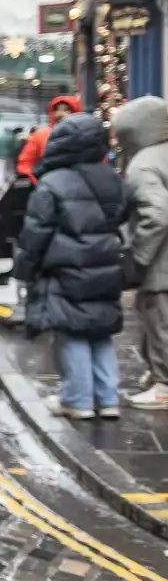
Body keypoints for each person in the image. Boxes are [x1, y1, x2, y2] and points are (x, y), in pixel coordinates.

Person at [13, 111, 129, 421]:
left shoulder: (53, 182)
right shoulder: (111, 178)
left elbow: (36, 232)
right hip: (104, 266)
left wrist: (24, 268)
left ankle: (76, 400)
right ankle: (107, 400)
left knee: (72, 332)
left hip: (65, 268)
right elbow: (122, 216)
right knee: (100, 332)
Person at [114, 98, 168, 408]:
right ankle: (157, 374)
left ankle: (164, 384)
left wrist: (139, 255)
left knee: (158, 319)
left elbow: (157, 214)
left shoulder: (143, 163)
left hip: (161, 260)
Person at [18, 94, 82, 179]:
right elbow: (25, 164)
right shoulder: (40, 135)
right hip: (48, 184)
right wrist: (36, 183)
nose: (60, 113)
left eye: (66, 110)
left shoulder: (84, 134)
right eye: (57, 110)